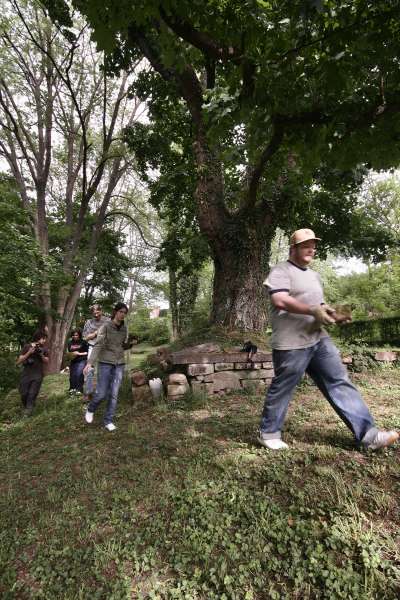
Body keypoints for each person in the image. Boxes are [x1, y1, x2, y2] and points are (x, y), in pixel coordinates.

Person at [258, 228, 399, 451]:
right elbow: (280, 300)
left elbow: (319, 307)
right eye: (306, 245)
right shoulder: (281, 271)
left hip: (318, 339)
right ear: (293, 248)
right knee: (284, 387)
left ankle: (369, 436)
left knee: (339, 381)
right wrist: (312, 310)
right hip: (291, 343)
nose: (311, 249)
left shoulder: (313, 276)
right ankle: (268, 433)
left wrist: (333, 314)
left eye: (313, 245)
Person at [83, 302, 133, 432]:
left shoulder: (124, 328)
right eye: (121, 312)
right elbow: (98, 345)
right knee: (101, 393)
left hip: (119, 364)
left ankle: (108, 420)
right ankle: (91, 408)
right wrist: (90, 363)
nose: (122, 315)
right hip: (105, 362)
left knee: (114, 394)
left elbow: (123, 346)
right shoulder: (105, 326)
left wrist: (131, 344)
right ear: (115, 312)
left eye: (125, 313)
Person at [16, 330, 49, 416]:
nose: (44, 341)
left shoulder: (44, 349)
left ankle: (28, 412)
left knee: (32, 393)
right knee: (23, 393)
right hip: (26, 373)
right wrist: (29, 352)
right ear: (38, 338)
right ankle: (28, 406)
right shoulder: (27, 347)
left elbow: (47, 361)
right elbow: (19, 361)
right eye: (43, 338)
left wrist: (41, 354)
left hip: (38, 373)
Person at [82, 304, 109, 402]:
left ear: (101, 311)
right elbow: (85, 337)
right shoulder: (88, 322)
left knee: (104, 370)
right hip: (92, 347)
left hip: (105, 348)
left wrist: (94, 333)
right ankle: (88, 393)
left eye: (98, 312)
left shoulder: (107, 320)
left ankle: (104, 393)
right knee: (89, 370)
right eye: (94, 313)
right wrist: (94, 335)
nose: (96, 315)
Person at [67, 329, 88, 394]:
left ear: (79, 335)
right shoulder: (70, 342)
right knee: (72, 375)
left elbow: (87, 352)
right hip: (73, 360)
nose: (75, 336)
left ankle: (79, 389)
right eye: (73, 335)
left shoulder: (83, 342)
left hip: (82, 360)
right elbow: (70, 352)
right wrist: (71, 354)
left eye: (76, 335)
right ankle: (72, 389)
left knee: (79, 374)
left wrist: (79, 354)